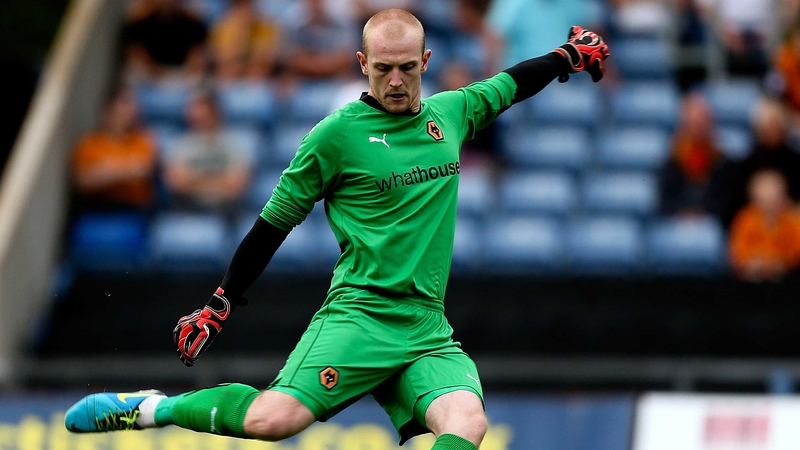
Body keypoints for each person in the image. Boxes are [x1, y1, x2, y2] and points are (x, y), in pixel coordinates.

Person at [64, 9, 609, 449]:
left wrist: (570, 55)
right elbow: (273, 224)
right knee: (271, 421)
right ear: (361, 63)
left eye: (407, 68)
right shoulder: (335, 136)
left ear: (425, 60)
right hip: (360, 316)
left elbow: (511, 84)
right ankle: (149, 408)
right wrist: (221, 299)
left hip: (425, 328)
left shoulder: (452, 112)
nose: (395, 81)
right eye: (382, 68)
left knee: (467, 424)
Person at [162, 93, 253, 212]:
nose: (200, 120)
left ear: (216, 114)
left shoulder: (237, 145)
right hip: (188, 209)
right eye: (196, 117)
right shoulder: (180, 145)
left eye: (205, 116)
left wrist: (194, 179)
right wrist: (220, 181)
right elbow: (177, 184)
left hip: (227, 212)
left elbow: (236, 187)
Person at [71, 88, 157, 211]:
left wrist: (104, 170)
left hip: (133, 210)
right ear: (107, 112)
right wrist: (127, 168)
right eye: (123, 105)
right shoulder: (90, 143)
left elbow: (143, 170)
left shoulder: (143, 140)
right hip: (96, 207)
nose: (129, 111)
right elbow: (82, 181)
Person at [659, 92, 731, 221]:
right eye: (693, 121)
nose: (698, 126)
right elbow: (665, 201)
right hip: (678, 225)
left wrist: (703, 213)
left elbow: (726, 200)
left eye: (702, 121)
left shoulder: (721, 161)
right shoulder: (673, 160)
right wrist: (683, 213)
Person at [729, 169, 800, 282]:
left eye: (774, 195)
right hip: (750, 278)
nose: (769, 202)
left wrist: (780, 263)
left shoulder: (790, 220)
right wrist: (754, 262)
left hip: (785, 280)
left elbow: (795, 252)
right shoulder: (745, 219)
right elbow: (738, 252)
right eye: (764, 197)